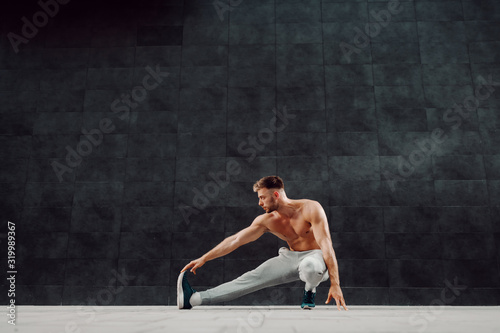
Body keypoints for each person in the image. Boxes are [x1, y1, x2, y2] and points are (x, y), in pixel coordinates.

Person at [177, 175, 348, 311]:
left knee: (310, 266)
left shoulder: (311, 208)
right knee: (251, 278)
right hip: (290, 257)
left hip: (316, 258)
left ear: (275, 195)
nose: (259, 203)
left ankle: (309, 290)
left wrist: (335, 284)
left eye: (262, 197)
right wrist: (204, 258)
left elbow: (326, 246)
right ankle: (194, 298)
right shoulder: (266, 220)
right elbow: (235, 240)